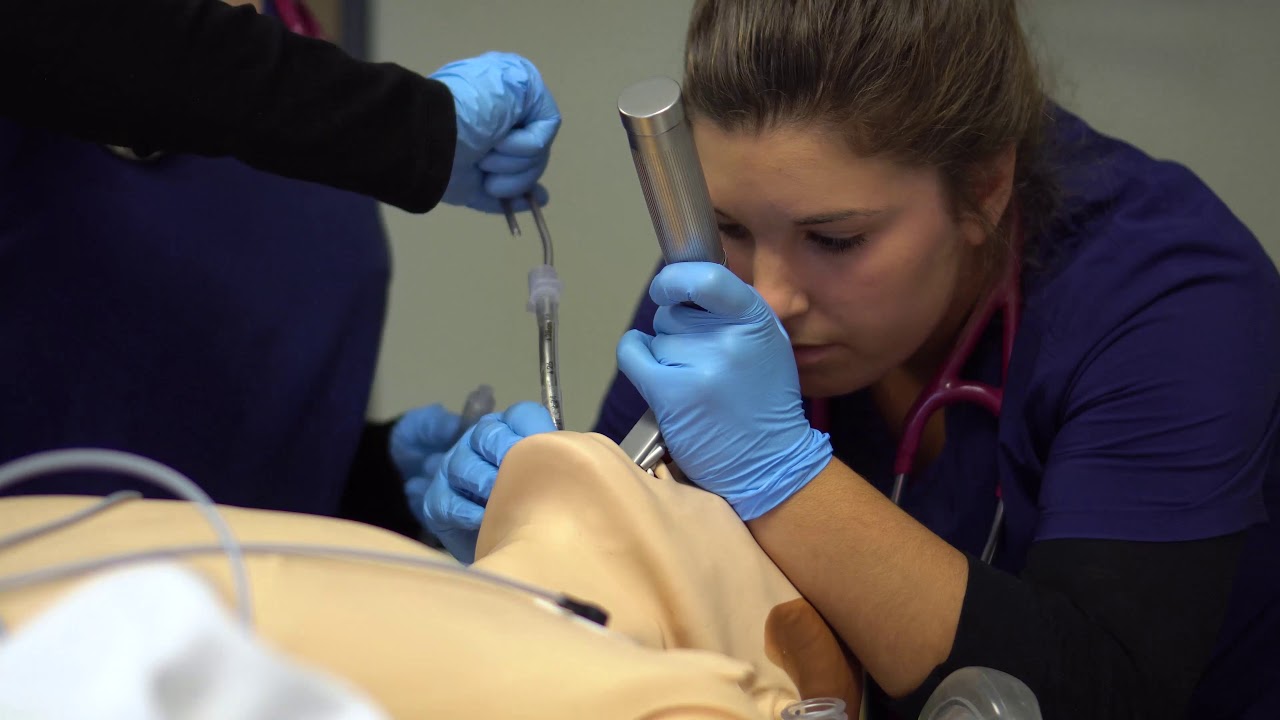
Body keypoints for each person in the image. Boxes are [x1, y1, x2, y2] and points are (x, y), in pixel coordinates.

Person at [403, 1, 1280, 718]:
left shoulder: (1170, 297)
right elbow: (640, 587)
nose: (771, 297)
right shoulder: (723, 278)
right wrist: (538, 531)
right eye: (732, 227)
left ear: (984, 188)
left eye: (835, 238)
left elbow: (1101, 695)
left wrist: (784, 480)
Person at [0, 0, 560, 534]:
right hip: (40, 608)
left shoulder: (298, 52)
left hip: (241, 614)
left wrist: (373, 481)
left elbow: (198, 422)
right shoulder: (98, 44)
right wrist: (413, 124)